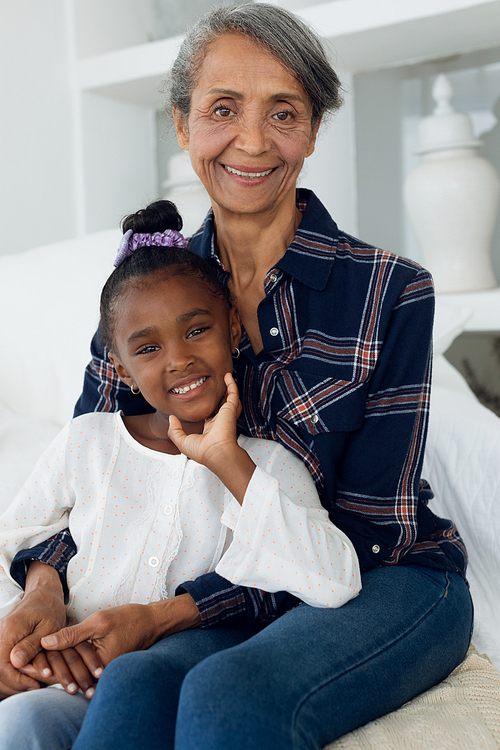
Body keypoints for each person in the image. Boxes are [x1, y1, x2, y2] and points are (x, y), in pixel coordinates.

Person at [1, 4, 472, 749]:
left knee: (227, 693)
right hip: (232, 600)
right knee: (133, 681)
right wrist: (43, 590)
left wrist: (163, 615)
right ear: (183, 126)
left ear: (313, 130)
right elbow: (87, 479)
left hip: (389, 578)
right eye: (223, 109)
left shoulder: (391, 291)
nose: (252, 140)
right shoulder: (142, 300)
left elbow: (359, 538)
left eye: (283, 111)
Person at [0, 199, 360, 748]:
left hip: (176, 684)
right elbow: (15, 537)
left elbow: (334, 580)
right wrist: (30, 612)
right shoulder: (87, 442)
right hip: (69, 679)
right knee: (21, 725)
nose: (177, 359)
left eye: (196, 331)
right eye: (148, 347)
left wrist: (228, 461)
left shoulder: (266, 465)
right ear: (119, 366)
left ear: (233, 330)